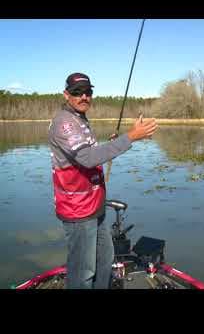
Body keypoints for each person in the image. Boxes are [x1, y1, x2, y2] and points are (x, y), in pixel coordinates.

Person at [48, 72, 158, 289]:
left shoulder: (79, 119)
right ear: (66, 95)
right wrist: (131, 137)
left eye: (87, 92)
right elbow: (87, 158)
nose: (83, 97)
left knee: (104, 261)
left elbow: (89, 152)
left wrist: (114, 144)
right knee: (83, 272)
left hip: (94, 207)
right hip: (78, 212)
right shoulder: (65, 123)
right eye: (77, 92)